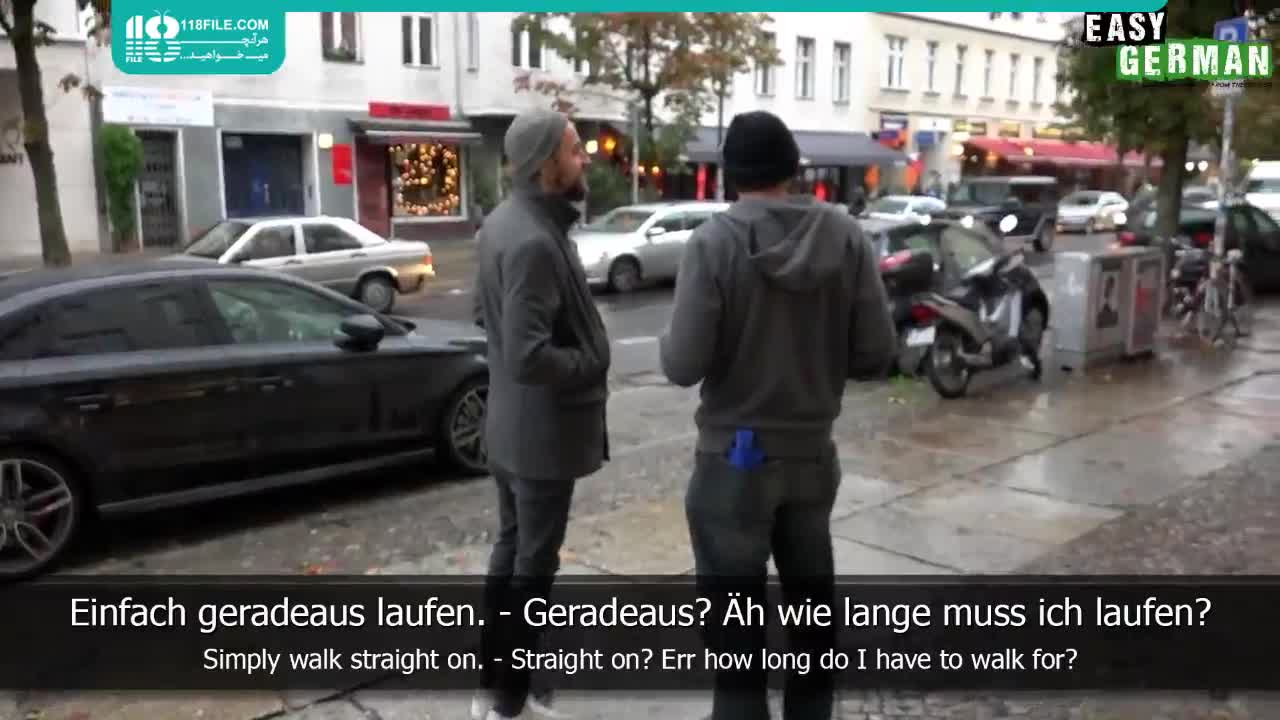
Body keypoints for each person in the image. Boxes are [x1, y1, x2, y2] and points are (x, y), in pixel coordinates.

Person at [658, 110, 896, 720]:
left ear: (730, 174)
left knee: (735, 640)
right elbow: (876, 353)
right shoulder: (845, 236)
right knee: (813, 624)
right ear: (793, 168)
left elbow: (682, 364)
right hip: (812, 457)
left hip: (732, 464)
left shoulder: (713, 243)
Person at [471, 108, 611, 720]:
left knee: (511, 553)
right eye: (575, 150)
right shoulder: (532, 239)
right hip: (542, 439)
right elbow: (529, 355)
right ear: (545, 164)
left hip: (511, 428)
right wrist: (590, 360)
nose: (585, 160)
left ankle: (494, 683)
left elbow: (485, 317)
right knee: (533, 569)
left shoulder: (504, 223)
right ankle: (510, 701)